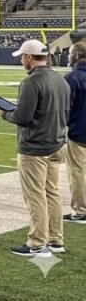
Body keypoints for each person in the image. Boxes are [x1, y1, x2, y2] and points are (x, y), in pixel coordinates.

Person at [0, 38, 70, 256]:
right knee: (52, 193)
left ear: (29, 57)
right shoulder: (60, 79)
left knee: (36, 195)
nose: (22, 60)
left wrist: (4, 113)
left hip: (35, 147)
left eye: (23, 57)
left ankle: (37, 242)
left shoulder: (31, 82)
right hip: (57, 143)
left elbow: (23, 117)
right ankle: (56, 239)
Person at [65, 42, 86, 225]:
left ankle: (80, 210)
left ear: (77, 55)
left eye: (70, 53)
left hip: (79, 132)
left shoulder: (73, 77)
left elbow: (66, 108)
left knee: (77, 172)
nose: (68, 56)